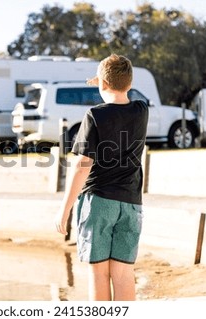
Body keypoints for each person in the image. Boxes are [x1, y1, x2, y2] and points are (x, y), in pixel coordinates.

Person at [54, 54, 149, 301]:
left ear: (102, 84)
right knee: (124, 272)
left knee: (98, 273)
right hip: (131, 204)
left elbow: (82, 166)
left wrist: (64, 210)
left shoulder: (94, 115)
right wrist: (106, 79)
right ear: (129, 82)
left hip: (98, 202)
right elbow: (122, 94)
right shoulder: (141, 111)